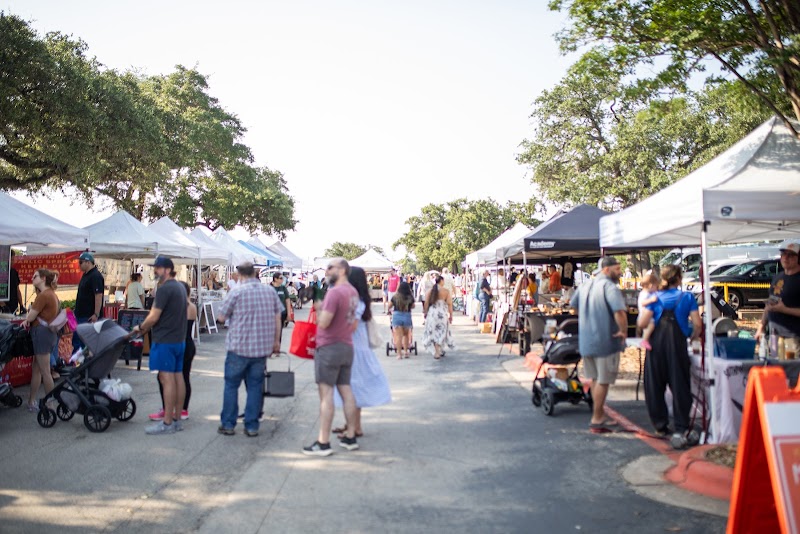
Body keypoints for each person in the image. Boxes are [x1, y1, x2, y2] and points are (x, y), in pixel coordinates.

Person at [637, 265, 701, 449]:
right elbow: (697, 323)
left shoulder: (654, 298)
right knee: (680, 384)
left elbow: (642, 322)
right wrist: (693, 336)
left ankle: (660, 426)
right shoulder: (687, 297)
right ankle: (681, 426)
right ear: (679, 279)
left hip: (655, 347)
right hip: (677, 346)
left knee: (655, 385)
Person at [216, 261, 282, 437]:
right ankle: (251, 425)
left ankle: (228, 424)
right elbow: (278, 317)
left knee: (231, 386)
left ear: (240, 274)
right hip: (261, 349)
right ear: (254, 273)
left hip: (238, 347)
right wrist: (276, 341)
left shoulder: (235, 292)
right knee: (254, 387)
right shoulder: (269, 291)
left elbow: (221, 317)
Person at [303, 258, 360, 457]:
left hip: (329, 346)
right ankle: (351, 436)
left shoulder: (335, 293)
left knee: (326, 395)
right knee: (346, 391)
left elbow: (324, 322)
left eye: (330, 267)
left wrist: (319, 308)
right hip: (346, 345)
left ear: (342, 270)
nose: (326, 271)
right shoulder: (353, 292)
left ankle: (323, 442)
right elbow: (353, 323)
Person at [331, 266, 392, 438]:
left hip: (354, 351)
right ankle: (351, 424)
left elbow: (352, 325)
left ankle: (355, 427)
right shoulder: (359, 298)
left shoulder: (355, 300)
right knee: (350, 389)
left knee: (351, 389)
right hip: (357, 349)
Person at [570, 256, 627, 432]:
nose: (619, 272)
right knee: (603, 380)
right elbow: (619, 312)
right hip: (605, 340)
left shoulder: (585, 285)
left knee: (594, 378)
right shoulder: (609, 287)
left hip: (587, 340)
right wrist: (623, 331)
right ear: (606, 269)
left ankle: (599, 413)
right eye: (617, 269)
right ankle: (596, 417)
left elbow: (573, 307)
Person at [133, 256, 187, 435]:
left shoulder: (165, 289)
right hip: (178, 340)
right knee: (178, 378)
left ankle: (167, 422)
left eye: (157, 268)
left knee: (167, 379)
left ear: (166, 270)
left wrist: (141, 328)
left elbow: (154, 316)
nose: (154, 271)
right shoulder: (180, 287)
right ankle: (177, 419)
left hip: (165, 340)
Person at [150, 281, 198, 422]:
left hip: (174, 342)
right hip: (189, 344)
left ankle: (167, 409)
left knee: (164, 377)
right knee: (184, 377)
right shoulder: (192, 307)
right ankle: (183, 410)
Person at [23, 269, 59, 411]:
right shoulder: (52, 294)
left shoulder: (44, 295)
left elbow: (31, 317)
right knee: (37, 369)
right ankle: (31, 402)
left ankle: (49, 404)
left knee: (44, 371)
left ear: (43, 278)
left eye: (35, 276)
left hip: (41, 334)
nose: (32, 278)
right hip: (47, 334)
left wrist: (27, 318)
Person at [756, 239, 800, 348]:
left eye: (790, 255)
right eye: (783, 254)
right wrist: (761, 327)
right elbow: (769, 304)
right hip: (774, 335)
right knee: (775, 364)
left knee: (791, 365)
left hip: (793, 337)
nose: (785, 258)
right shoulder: (777, 277)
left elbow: (780, 307)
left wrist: (784, 310)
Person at [72, 252, 105, 354]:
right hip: (81, 315)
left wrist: (96, 314)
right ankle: (79, 363)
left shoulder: (95, 276)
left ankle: (83, 364)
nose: (79, 264)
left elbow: (98, 295)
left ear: (88, 262)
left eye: (81, 262)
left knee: (84, 342)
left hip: (88, 316)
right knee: (78, 340)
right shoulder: (86, 275)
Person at [423, 275, 455, 359]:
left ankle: (437, 351)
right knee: (441, 332)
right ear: (441, 281)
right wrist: (451, 315)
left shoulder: (430, 291)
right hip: (442, 314)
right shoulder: (446, 291)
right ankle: (439, 350)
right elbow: (449, 304)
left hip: (432, 313)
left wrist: (425, 313)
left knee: (433, 332)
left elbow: (426, 303)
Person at [389, 282, 415, 360]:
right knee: (406, 335)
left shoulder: (395, 297)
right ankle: (406, 351)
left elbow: (389, 306)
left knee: (398, 336)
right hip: (407, 315)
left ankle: (399, 354)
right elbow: (413, 306)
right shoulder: (410, 297)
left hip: (397, 316)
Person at [637, 271, 660, 350]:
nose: (656, 289)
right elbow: (643, 303)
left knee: (648, 328)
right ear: (650, 286)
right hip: (644, 315)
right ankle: (645, 340)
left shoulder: (646, 293)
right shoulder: (645, 294)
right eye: (656, 287)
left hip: (646, 315)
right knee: (651, 325)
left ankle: (646, 339)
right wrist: (651, 300)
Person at [2, 250, 25, 315]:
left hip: (13, 307)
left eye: (13, 259)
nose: (13, 262)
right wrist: (3, 305)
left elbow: (17, 289)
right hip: (2, 307)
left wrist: (21, 305)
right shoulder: (1, 273)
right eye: (11, 259)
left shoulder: (14, 272)